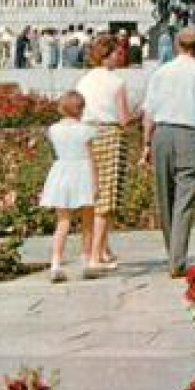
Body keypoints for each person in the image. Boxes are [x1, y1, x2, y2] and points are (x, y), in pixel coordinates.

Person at [140, 27, 195, 277]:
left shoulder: (161, 73)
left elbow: (148, 114)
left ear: (176, 45)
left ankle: (172, 253)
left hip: (162, 134)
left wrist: (145, 144)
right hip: (190, 135)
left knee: (164, 196)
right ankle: (177, 257)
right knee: (185, 198)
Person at [76, 34, 131, 276]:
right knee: (106, 197)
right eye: (116, 53)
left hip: (87, 133)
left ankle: (90, 249)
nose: (119, 57)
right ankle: (96, 256)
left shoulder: (83, 81)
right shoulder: (116, 82)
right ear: (107, 55)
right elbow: (123, 118)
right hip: (109, 133)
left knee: (91, 194)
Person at [41, 91, 98, 284]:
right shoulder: (86, 130)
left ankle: (56, 263)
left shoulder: (53, 129)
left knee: (63, 221)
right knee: (88, 219)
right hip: (82, 171)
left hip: (62, 171)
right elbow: (91, 157)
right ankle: (88, 260)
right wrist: (95, 182)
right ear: (81, 109)